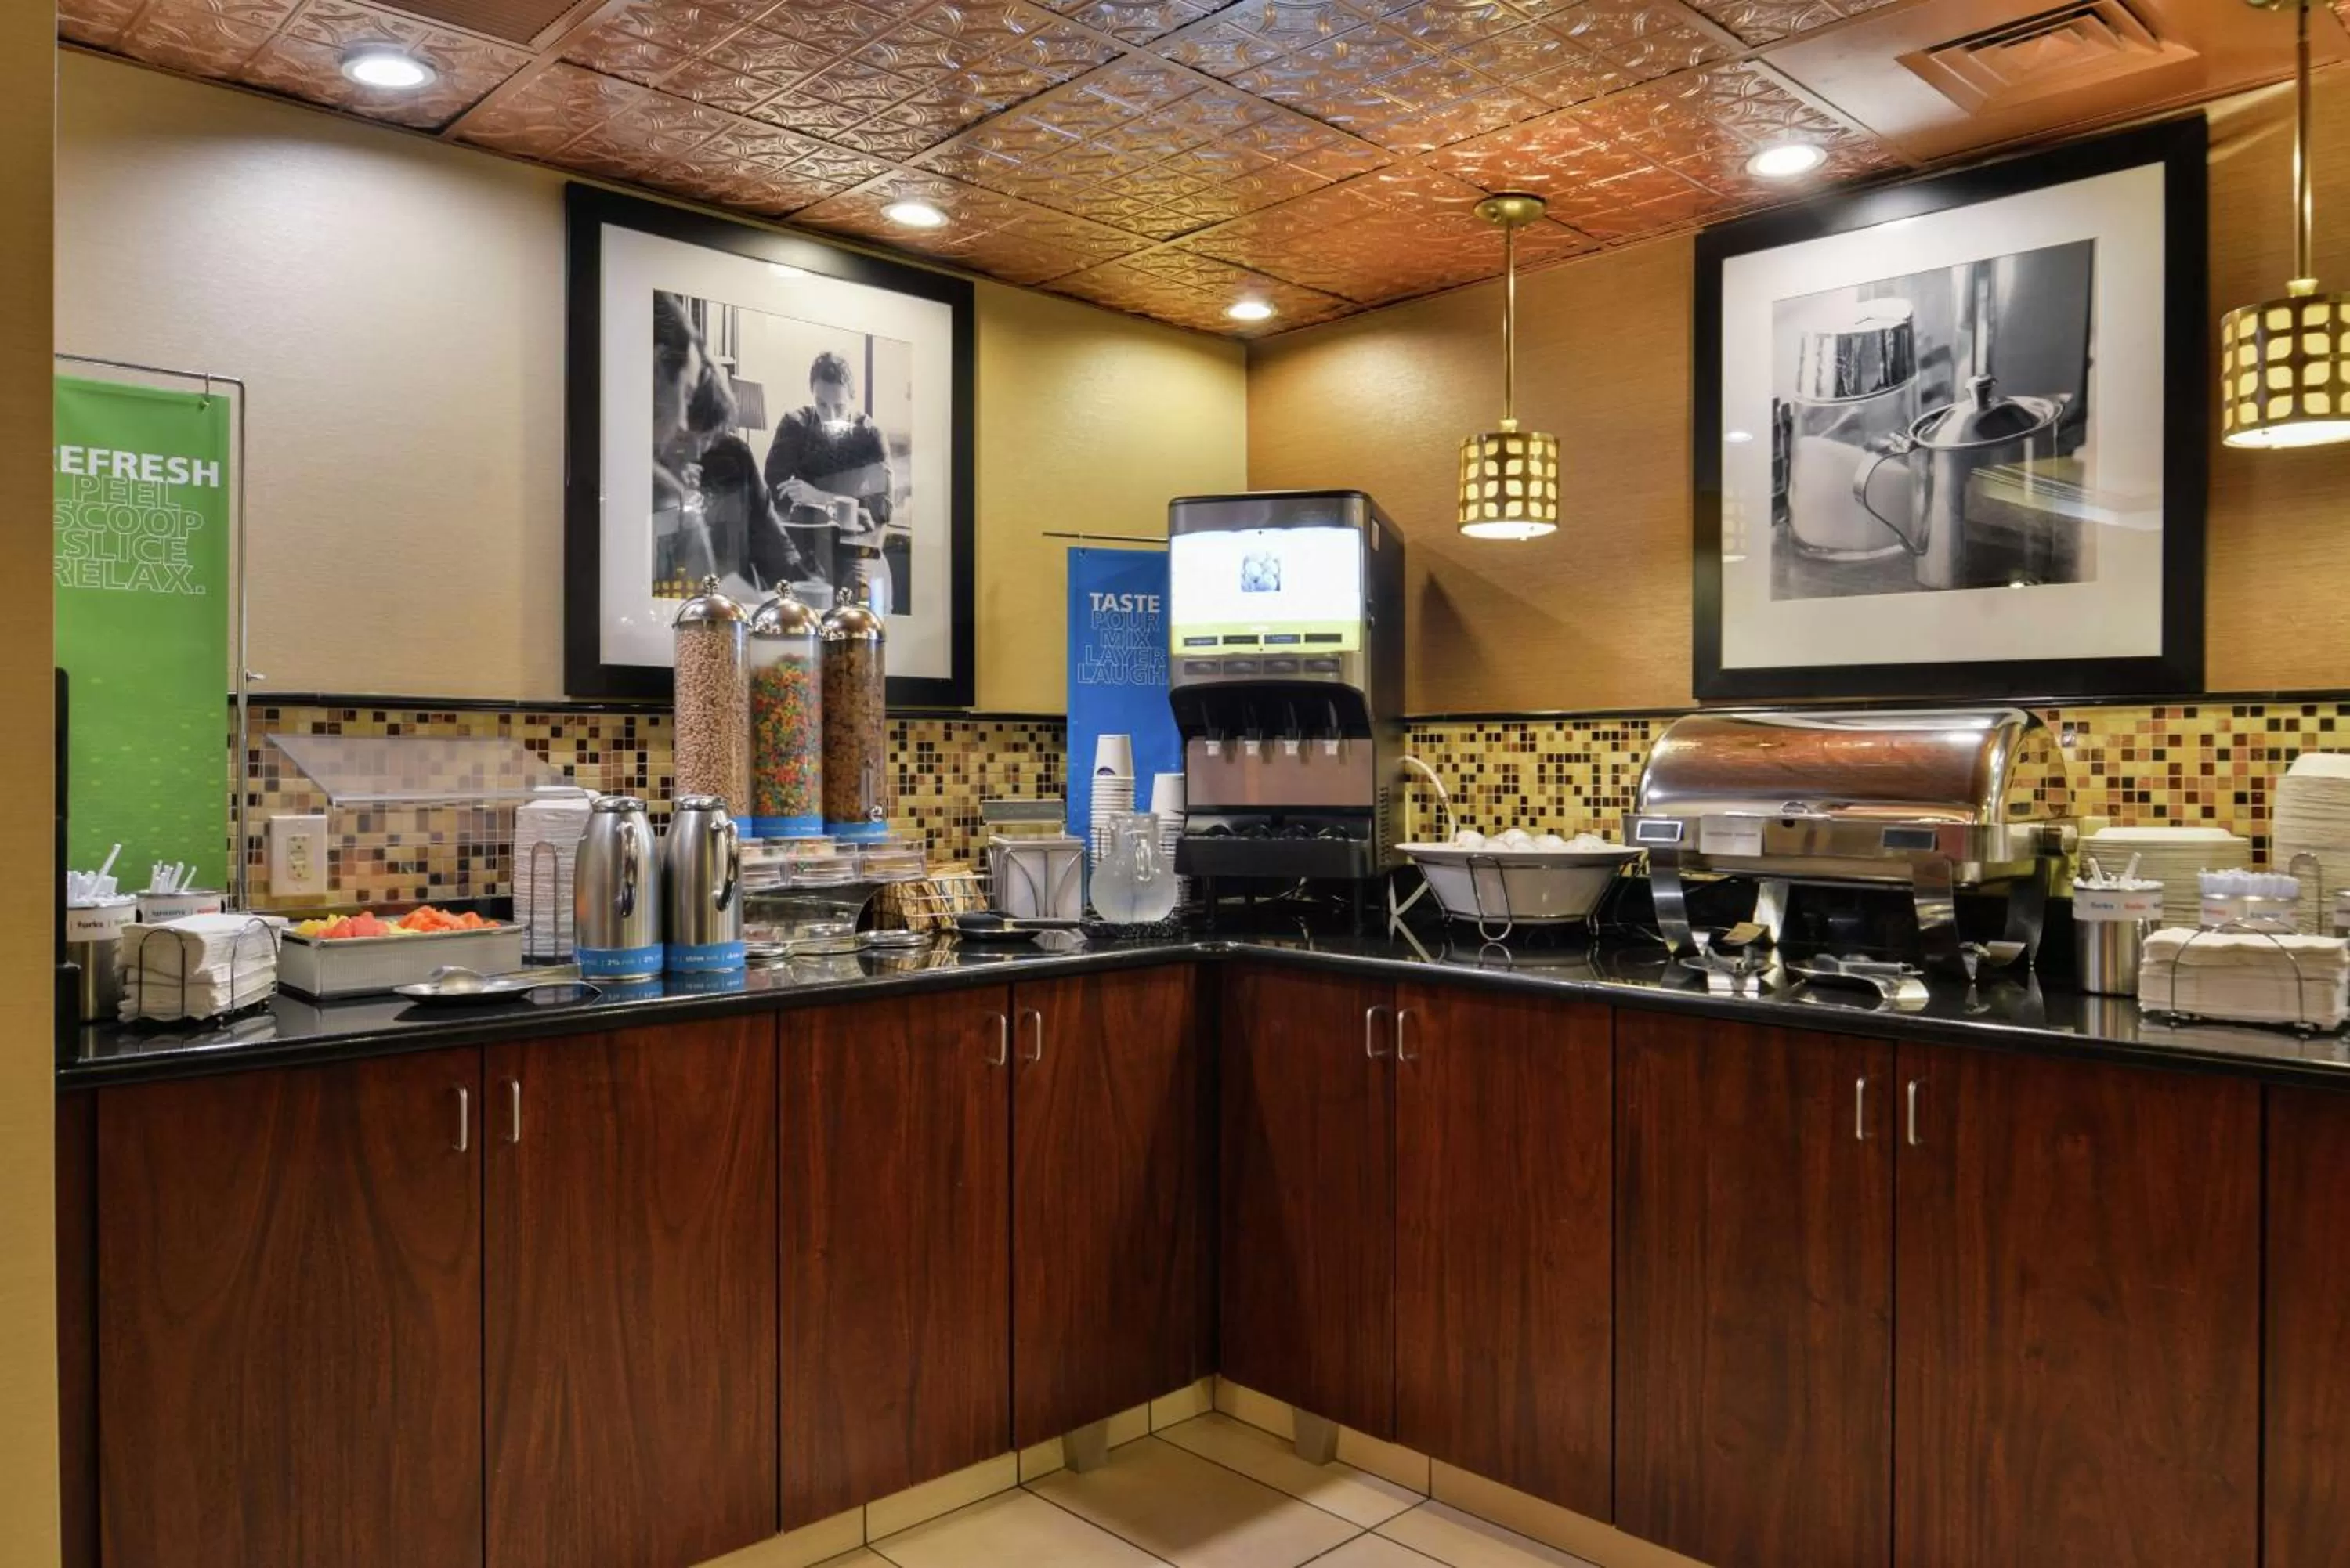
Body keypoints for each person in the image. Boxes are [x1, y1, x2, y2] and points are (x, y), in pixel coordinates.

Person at [763, 350, 895, 599]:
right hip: (804, 539)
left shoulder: (870, 435)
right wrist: (853, 505)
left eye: (839, 407)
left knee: (855, 595)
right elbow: (771, 493)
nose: (831, 417)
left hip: (854, 546)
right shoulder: (795, 425)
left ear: (853, 398)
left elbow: (884, 510)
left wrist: (819, 497)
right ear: (812, 395)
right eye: (822, 405)